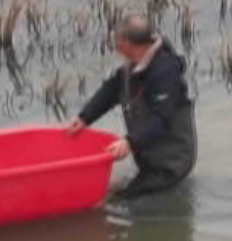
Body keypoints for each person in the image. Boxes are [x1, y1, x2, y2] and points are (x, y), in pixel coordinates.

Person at [68, 16, 194, 198]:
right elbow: (111, 90)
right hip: (149, 157)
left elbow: (161, 120)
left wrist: (129, 142)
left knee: (117, 202)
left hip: (172, 162)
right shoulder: (133, 67)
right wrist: (84, 118)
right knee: (114, 192)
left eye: (116, 39)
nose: (114, 44)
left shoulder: (165, 71)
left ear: (126, 43)